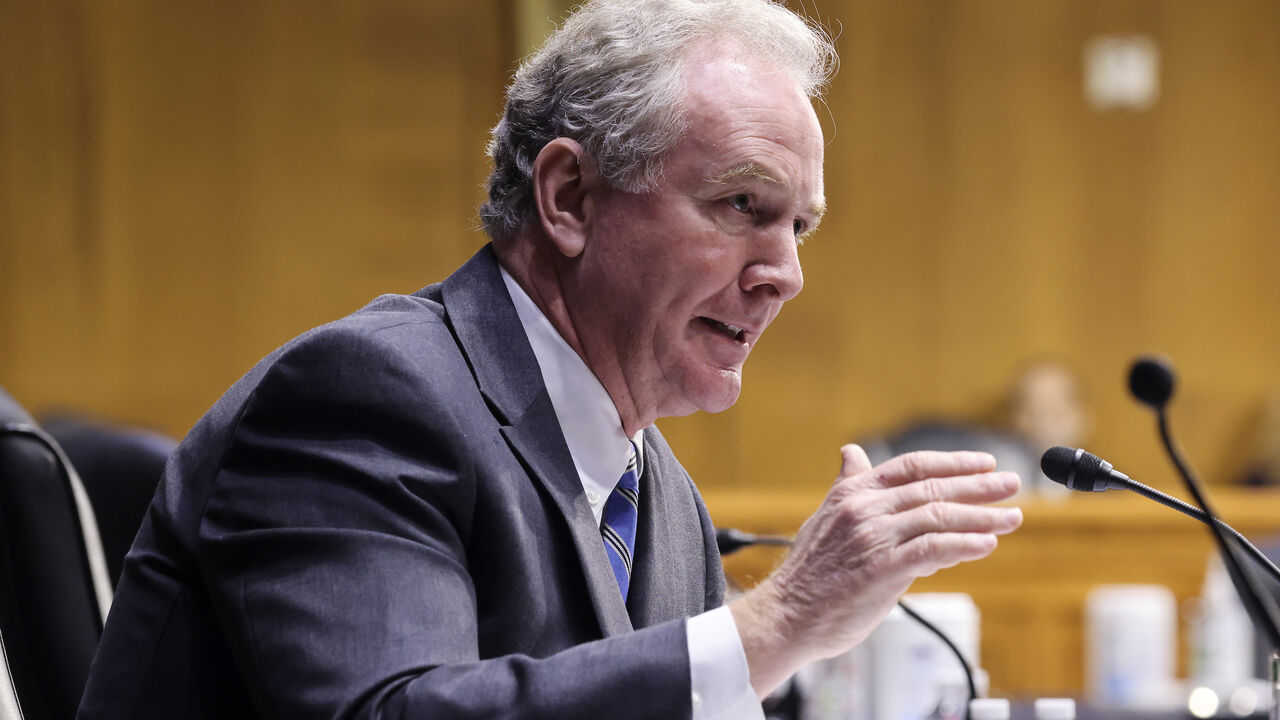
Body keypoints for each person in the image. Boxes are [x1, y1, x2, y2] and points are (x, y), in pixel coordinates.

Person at [78, 1, 1022, 718]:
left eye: (801, 226)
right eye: (745, 206)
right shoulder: (366, 398)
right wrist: (773, 627)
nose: (786, 275)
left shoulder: (661, 495)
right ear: (570, 196)